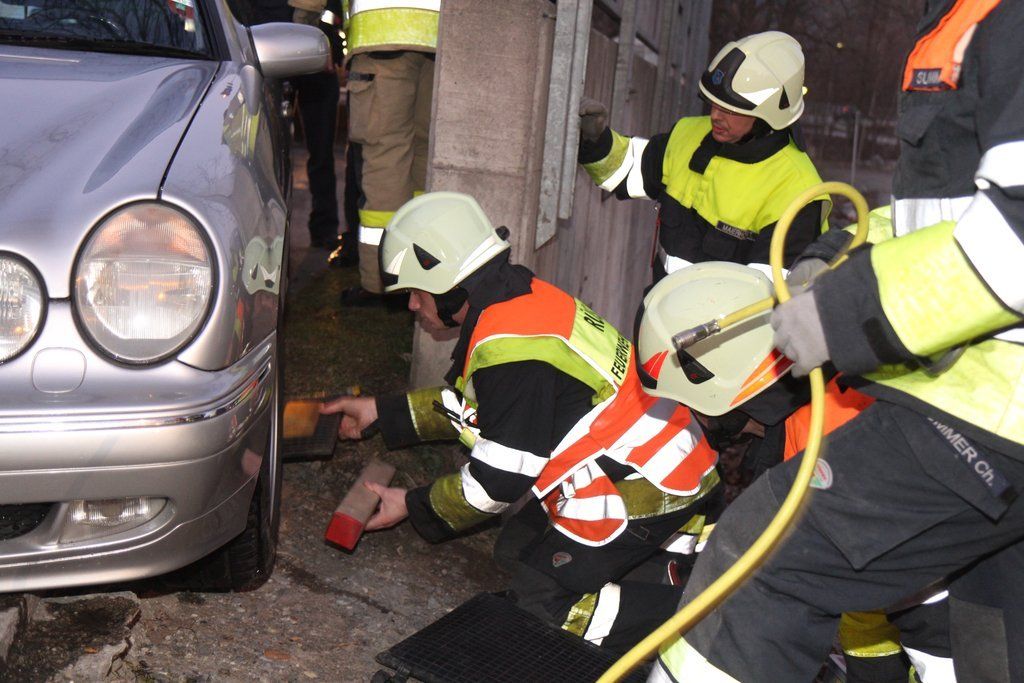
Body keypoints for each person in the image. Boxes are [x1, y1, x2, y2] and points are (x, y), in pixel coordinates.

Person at [647, 1, 1024, 680]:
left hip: (990, 407)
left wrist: (849, 312)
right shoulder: (972, 17)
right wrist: (836, 255)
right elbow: (949, 215)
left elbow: (1015, 238)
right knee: (986, 630)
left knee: (761, 563)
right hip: (987, 403)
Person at [321, 191, 722, 652]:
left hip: (649, 487)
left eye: (415, 292)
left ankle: (692, 622)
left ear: (448, 284)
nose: (412, 305)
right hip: (671, 461)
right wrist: (380, 412)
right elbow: (482, 412)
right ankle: (654, 581)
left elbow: (496, 483)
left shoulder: (512, 353)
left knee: (541, 607)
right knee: (517, 547)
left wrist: (413, 505)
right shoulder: (520, 301)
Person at [578, 31, 830, 283]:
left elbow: (772, 296)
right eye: (713, 103)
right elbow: (627, 167)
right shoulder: (687, 134)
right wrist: (595, 139)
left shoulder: (797, 193)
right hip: (658, 304)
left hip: (723, 312)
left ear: (769, 114)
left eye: (730, 109)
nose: (715, 116)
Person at [295, 0, 439, 305]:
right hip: (438, 45)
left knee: (385, 163)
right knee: (424, 159)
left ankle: (383, 283)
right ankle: (422, 276)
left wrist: (302, 26)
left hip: (382, 46)